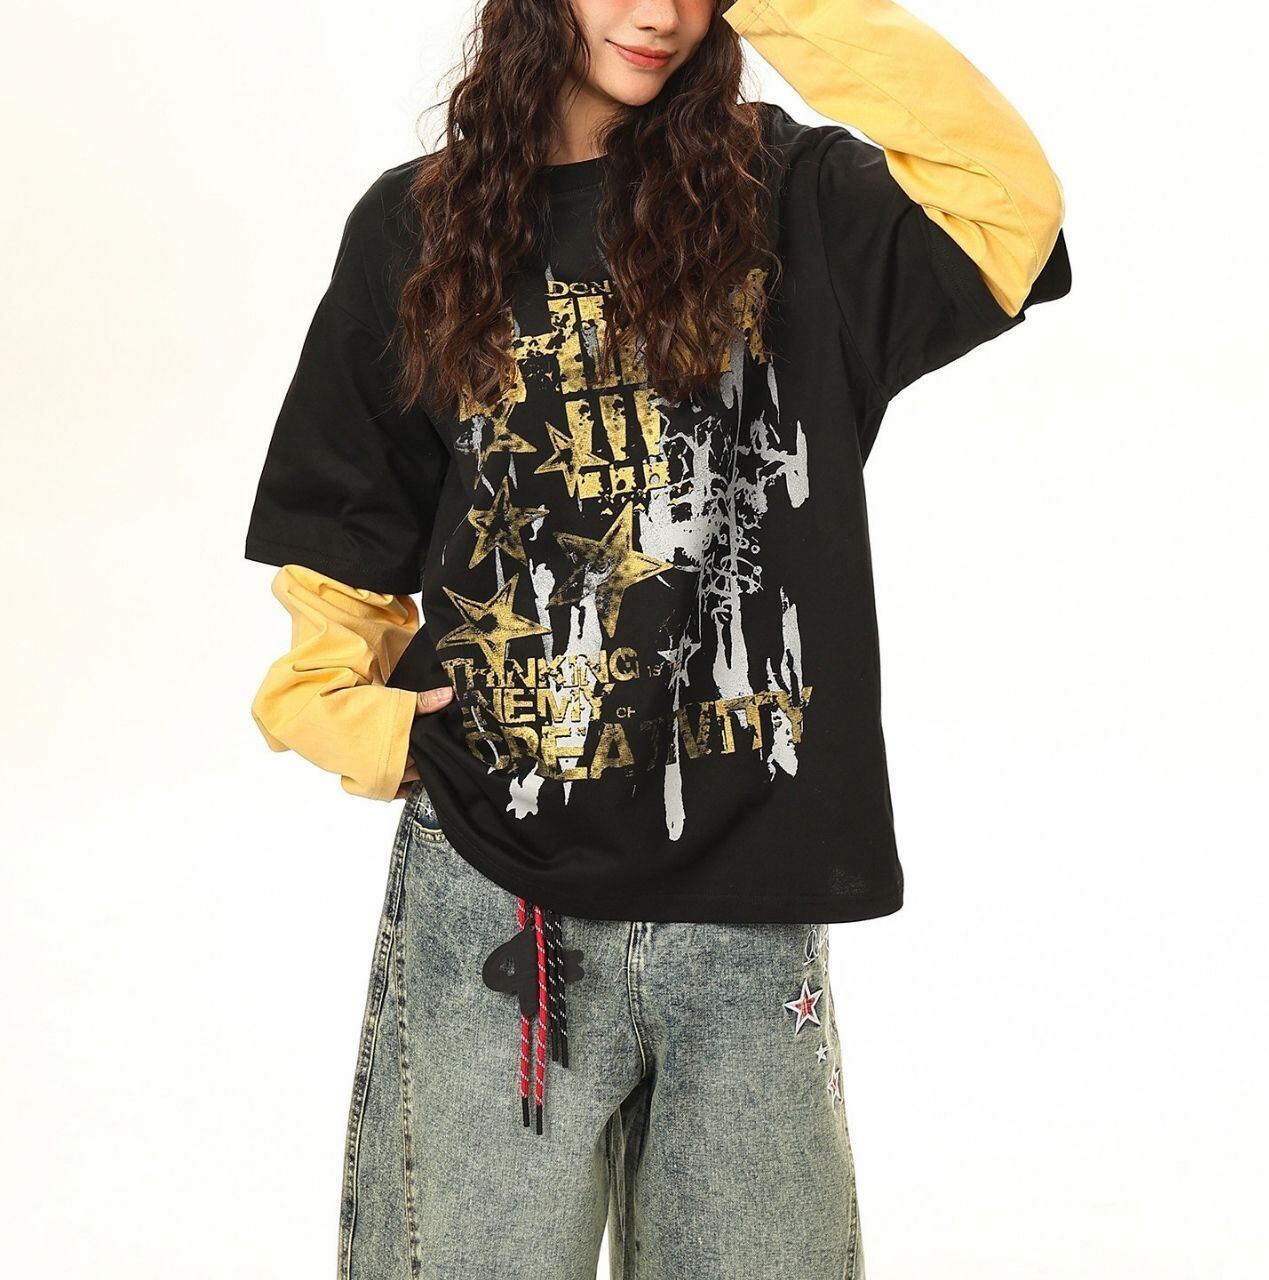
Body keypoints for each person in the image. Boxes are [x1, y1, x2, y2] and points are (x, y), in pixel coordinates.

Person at [243, 1, 1071, 1275]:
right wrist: (336, 704)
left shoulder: (792, 198)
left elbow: (1007, 213)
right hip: (497, 890)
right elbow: (346, 517)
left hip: (747, 898)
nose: (657, 13)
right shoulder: (418, 224)